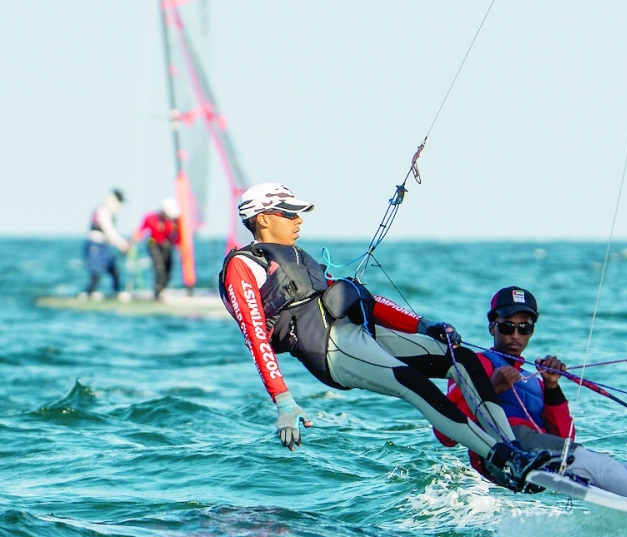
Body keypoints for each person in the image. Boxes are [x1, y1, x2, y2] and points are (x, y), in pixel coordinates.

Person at [219, 183, 553, 491]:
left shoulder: (299, 257)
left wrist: (422, 324)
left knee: (459, 356)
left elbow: (367, 301)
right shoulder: (244, 266)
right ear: (263, 219)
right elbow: (256, 337)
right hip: (331, 348)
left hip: (359, 331)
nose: (298, 221)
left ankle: (513, 450)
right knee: (415, 384)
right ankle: (502, 458)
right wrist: (283, 401)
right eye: (289, 213)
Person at [435, 286, 627, 501]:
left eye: (524, 328)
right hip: (505, 456)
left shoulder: (534, 382)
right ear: (492, 327)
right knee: (599, 465)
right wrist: (492, 389)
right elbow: (445, 433)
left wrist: (551, 387)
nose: (516, 335)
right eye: (507, 327)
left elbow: (565, 439)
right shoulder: (475, 364)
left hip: (532, 460)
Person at [83, 188, 130, 300]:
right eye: (119, 202)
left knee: (114, 271)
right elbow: (109, 231)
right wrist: (123, 244)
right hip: (95, 246)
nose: (119, 206)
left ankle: (117, 293)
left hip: (104, 246)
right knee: (96, 274)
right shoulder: (103, 210)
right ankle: (88, 295)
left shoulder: (111, 213)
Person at [132, 197, 181, 298]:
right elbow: (141, 231)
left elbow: (178, 236)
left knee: (168, 271)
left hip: (167, 246)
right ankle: (156, 294)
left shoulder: (176, 221)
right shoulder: (151, 218)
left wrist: (180, 247)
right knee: (159, 269)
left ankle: (161, 290)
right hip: (153, 245)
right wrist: (131, 243)